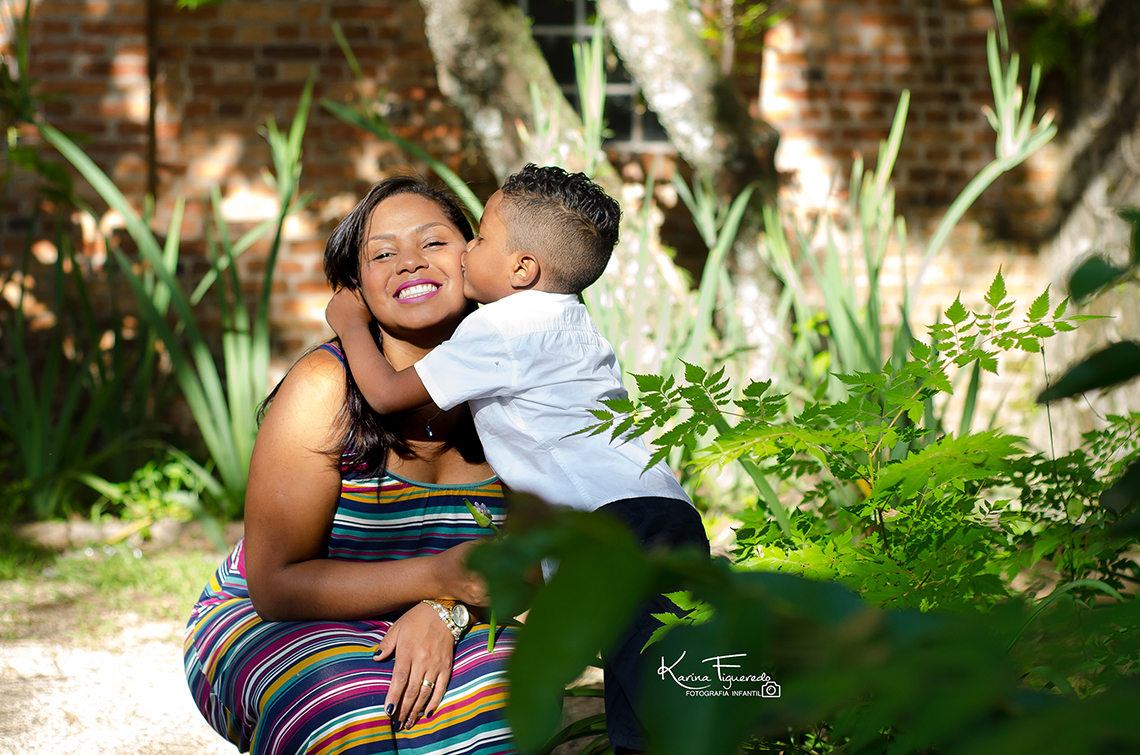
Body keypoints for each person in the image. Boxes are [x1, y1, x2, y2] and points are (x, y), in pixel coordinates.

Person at [325, 164, 710, 754]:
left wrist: (350, 323)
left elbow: (386, 394)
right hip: (663, 511)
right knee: (655, 676)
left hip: (609, 527)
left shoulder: (500, 329)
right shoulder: (573, 322)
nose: (464, 252)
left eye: (476, 238)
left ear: (522, 269)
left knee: (654, 696)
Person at [184, 176, 519, 755]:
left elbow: (551, 551)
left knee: (494, 704)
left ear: (476, 259)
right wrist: (438, 578)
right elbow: (277, 585)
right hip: (285, 612)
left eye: (433, 243)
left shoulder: (523, 388)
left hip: (453, 609)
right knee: (349, 713)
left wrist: (445, 608)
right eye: (382, 254)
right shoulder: (326, 388)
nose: (409, 263)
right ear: (357, 291)